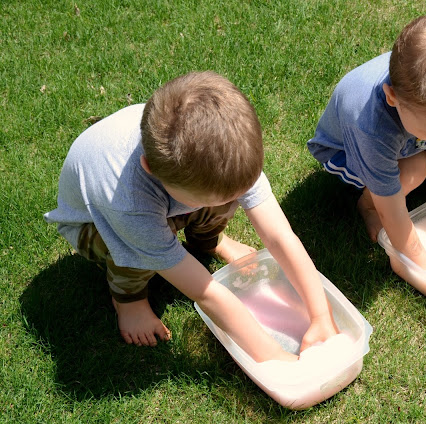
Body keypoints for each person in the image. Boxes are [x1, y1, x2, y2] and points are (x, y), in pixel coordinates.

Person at [44, 71, 337, 362]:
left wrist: (321, 314)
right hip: (95, 224)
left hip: (171, 198)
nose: (234, 202)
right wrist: (273, 356)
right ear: (151, 168)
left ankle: (210, 241)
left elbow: (280, 236)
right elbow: (206, 291)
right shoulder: (129, 201)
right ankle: (128, 301)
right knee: (136, 250)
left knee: (218, 198)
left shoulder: (228, 151)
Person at [307, 13, 426, 271]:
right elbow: (392, 209)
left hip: (410, 137)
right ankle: (368, 205)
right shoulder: (370, 125)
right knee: (412, 172)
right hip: (346, 152)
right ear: (393, 98)